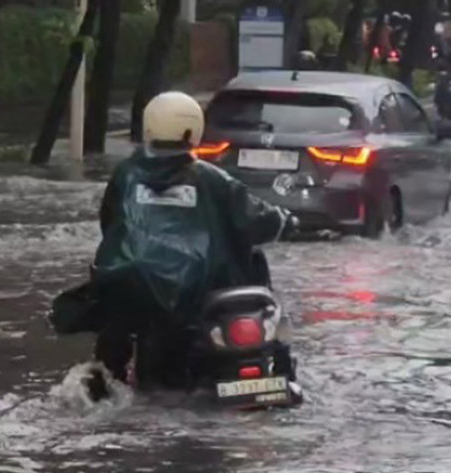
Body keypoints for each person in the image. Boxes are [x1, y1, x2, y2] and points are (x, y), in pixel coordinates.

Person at [52, 91, 295, 389]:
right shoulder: (212, 179)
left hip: (139, 295)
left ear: (149, 126)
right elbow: (258, 219)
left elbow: (111, 224)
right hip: (203, 297)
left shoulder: (126, 175)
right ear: (195, 129)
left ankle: (109, 379)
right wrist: (285, 221)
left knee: (111, 336)